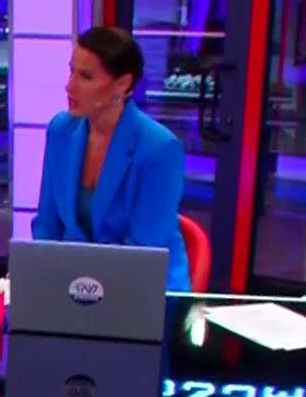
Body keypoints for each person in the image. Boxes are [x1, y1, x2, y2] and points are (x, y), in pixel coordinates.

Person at [31, 26, 191, 292]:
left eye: (86, 76)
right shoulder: (61, 131)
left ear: (123, 84)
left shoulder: (159, 149)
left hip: (142, 290)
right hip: (74, 285)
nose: (69, 86)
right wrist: (44, 281)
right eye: (71, 71)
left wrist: (84, 290)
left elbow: (143, 251)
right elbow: (47, 224)